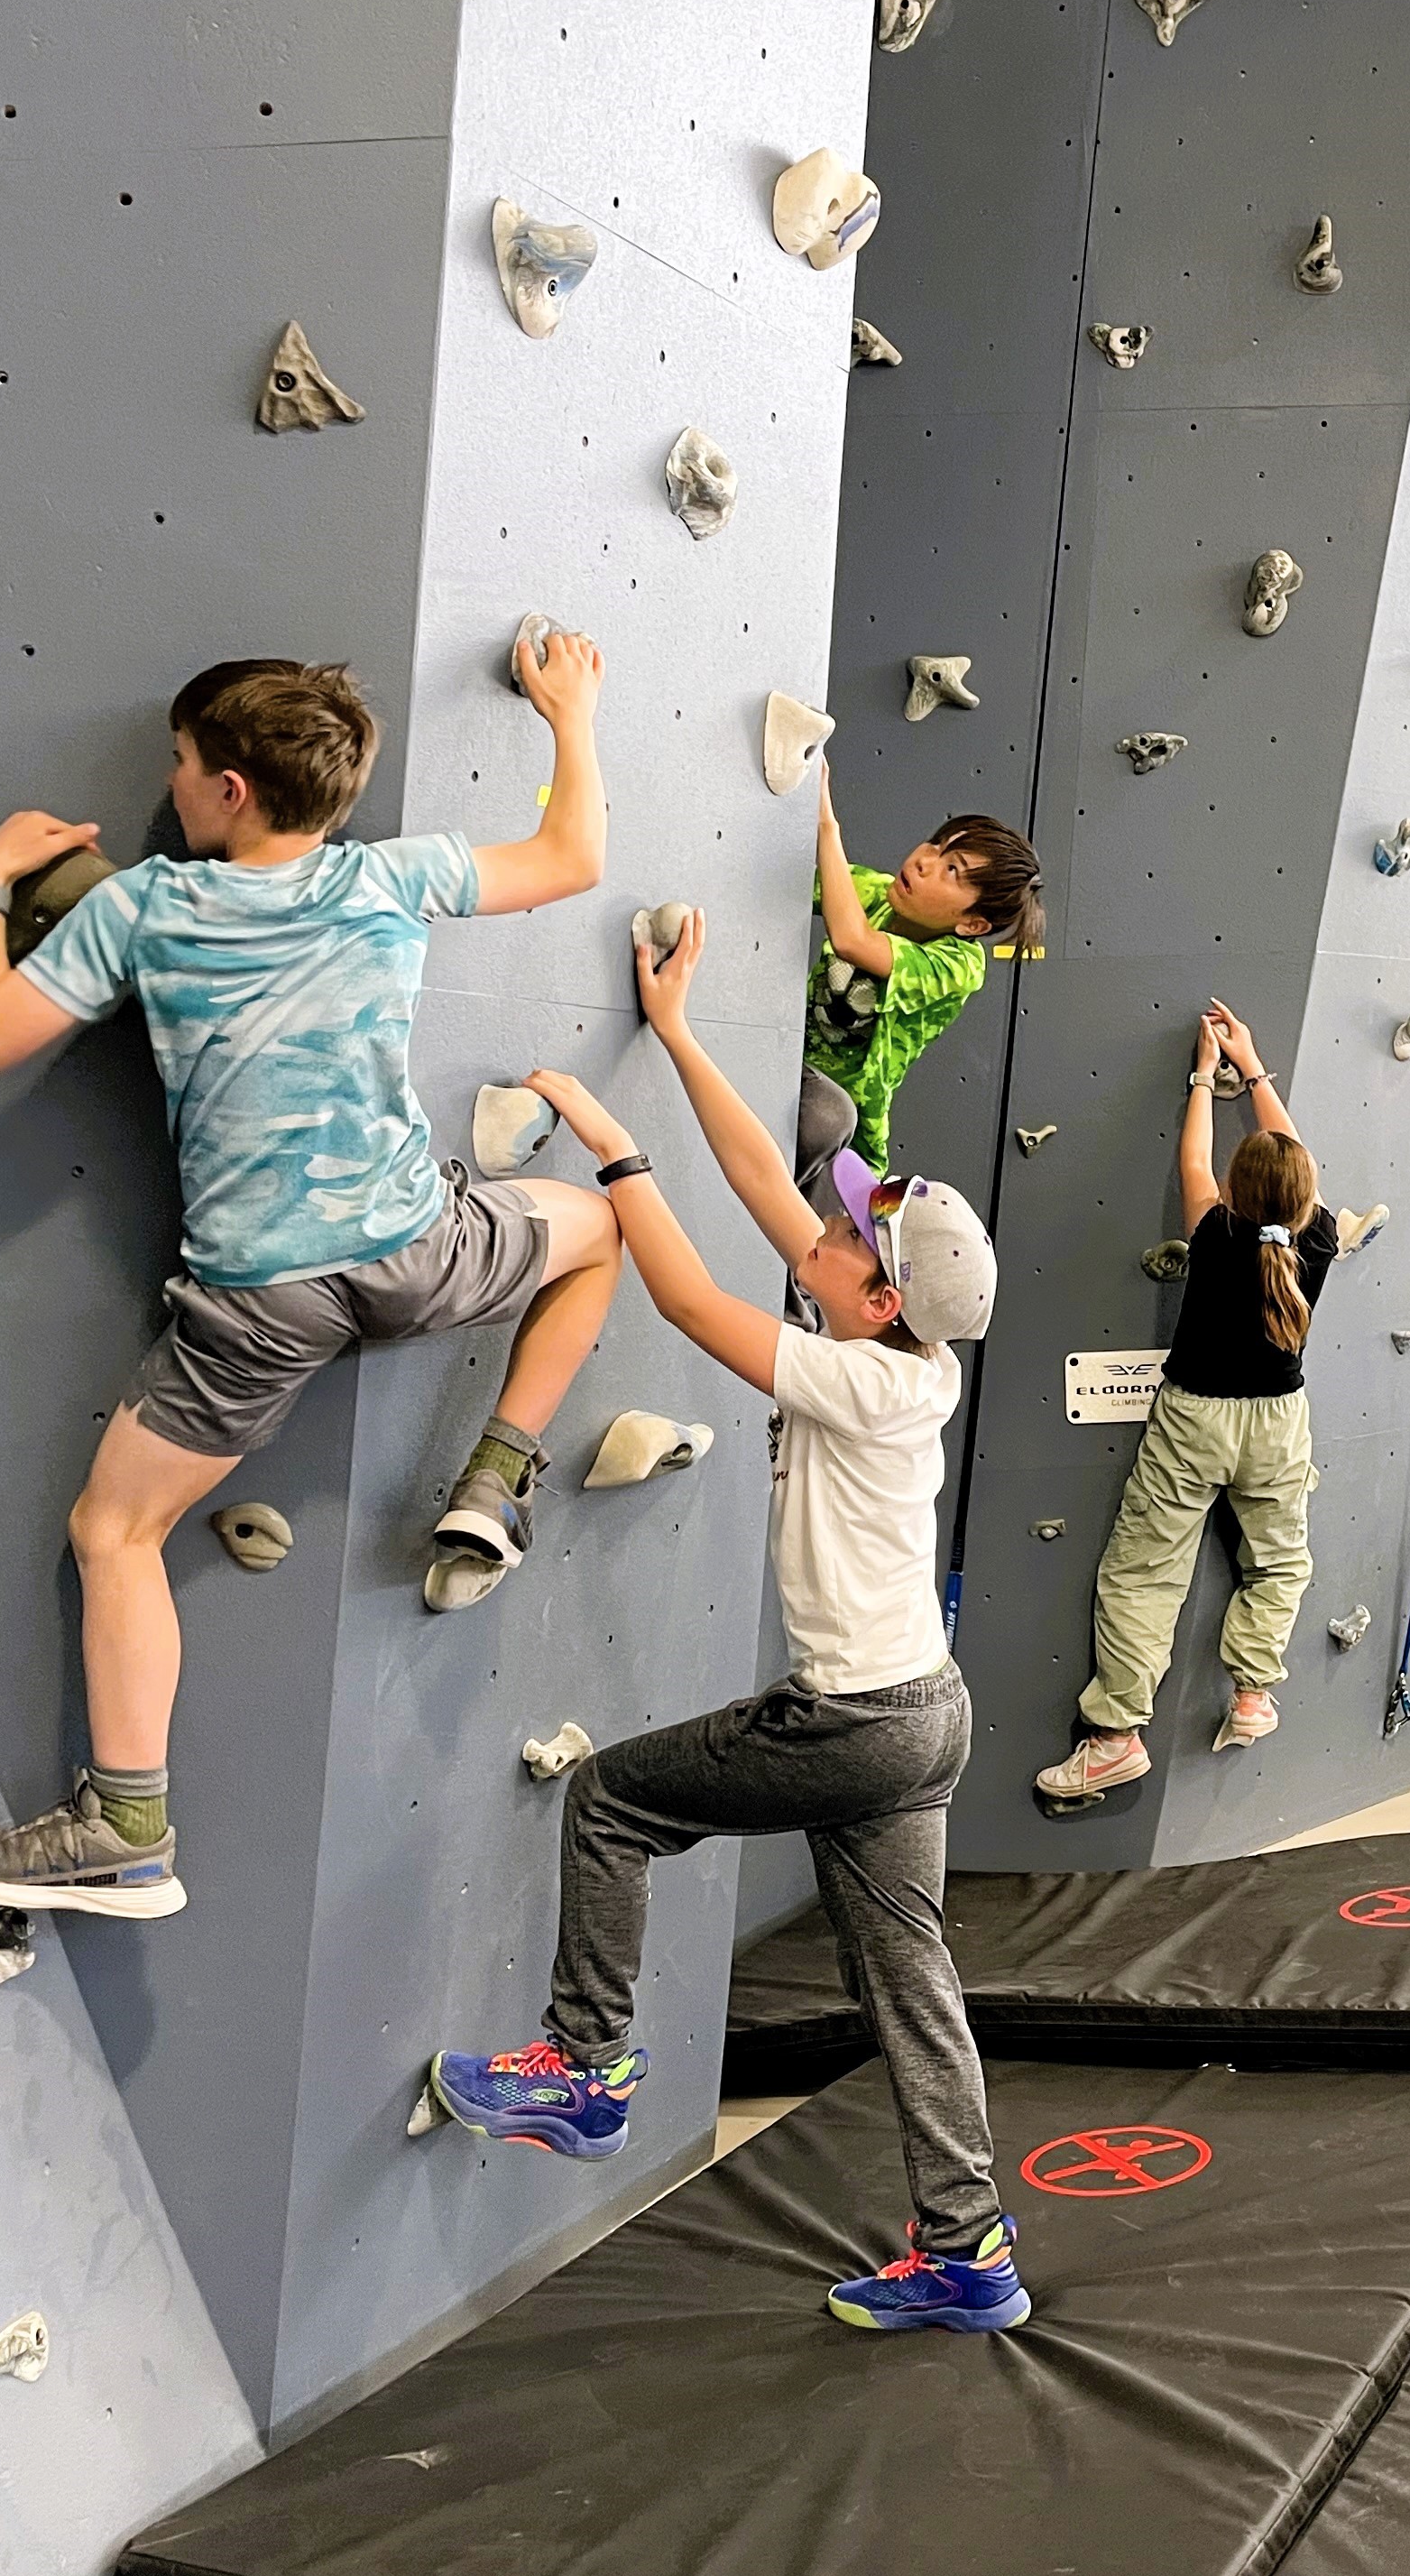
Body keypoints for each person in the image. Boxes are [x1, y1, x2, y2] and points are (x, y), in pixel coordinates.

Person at [0, 637, 631, 1923]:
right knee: (597, 1231)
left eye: (183, 764)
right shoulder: (390, 878)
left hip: (263, 1302)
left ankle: (126, 1830)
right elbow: (574, 858)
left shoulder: (143, 909)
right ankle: (499, 1475)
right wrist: (570, 716)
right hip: (416, 1252)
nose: (173, 779)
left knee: (115, 1532)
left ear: (230, 794)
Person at [426, 911, 1025, 2336]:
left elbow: (690, 1297)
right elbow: (770, 1180)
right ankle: (969, 2250)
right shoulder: (887, 1340)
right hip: (923, 1717)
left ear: (876, 1294)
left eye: (845, 1238)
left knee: (614, 1802)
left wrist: (606, 1147)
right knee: (908, 1973)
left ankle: (586, 2068)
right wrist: (679, 1033)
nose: (820, 1232)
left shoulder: (865, 1384)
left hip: (861, 1722)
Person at [1037, 1002, 1334, 1805]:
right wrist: (1257, 1067)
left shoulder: (1214, 1231)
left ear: (1235, 1192)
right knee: (1280, 1561)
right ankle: (1252, 1697)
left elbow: (1191, 1157)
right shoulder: (1317, 1237)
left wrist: (1208, 1072)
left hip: (1195, 1415)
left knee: (1143, 1572)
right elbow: (1293, 1159)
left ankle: (1117, 1736)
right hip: (1278, 1422)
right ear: (1308, 1195)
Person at [797, 765, 1045, 1182]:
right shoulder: (878, 892)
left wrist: (825, 823)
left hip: (839, 1147)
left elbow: (852, 940)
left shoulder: (960, 966)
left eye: (953, 869)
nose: (925, 860)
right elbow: (790, 884)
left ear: (973, 925)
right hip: (791, 1061)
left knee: (829, 1114)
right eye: (936, 844)